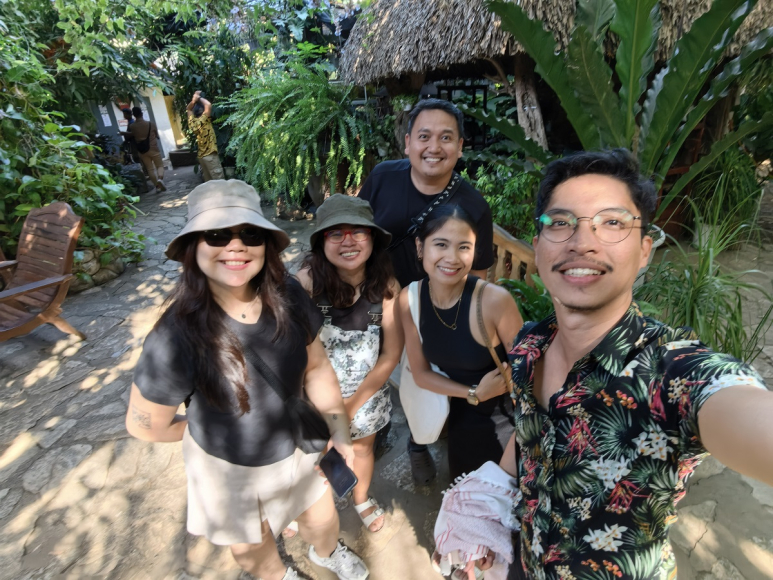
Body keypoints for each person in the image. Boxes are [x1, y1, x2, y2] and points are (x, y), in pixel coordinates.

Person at [453, 149, 773, 580]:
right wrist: (487, 500)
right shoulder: (529, 345)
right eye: (561, 222)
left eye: (613, 223)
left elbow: (738, 406)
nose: (582, 241)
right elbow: (532, 434)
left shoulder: (672, 373)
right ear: (539, 244)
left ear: (645, 250)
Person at [125, 180, 368, 580]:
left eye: (249, 234)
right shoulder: (174, 337)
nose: (235, 246)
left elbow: (317, 367)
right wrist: (212, 431)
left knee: (321, 518)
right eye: (218, 235)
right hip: (228, 465)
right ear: (193, 247)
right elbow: (145, 425)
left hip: (298, 444)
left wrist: (339, 431)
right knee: (252, 543)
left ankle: (326, 553)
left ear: (265, 245)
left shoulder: (286, 293)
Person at [359, 98, 496, 485]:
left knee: (423, 377)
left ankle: (418, 444)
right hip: (378, 300)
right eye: (424, 136)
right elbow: (355, 228)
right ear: (407, 143)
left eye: (446, 137)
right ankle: (376, 423)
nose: (434, 147)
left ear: (460, 147)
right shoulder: (384, 177)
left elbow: (478, 275)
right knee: (381, 368)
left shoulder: (473, 206)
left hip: (432, 309)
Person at [296, 194, 403, 533]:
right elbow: (291, 351)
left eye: (359, 231)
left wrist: (351, 405)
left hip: (365, 396)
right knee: (307, 457)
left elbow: (390, 354)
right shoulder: (306, 285)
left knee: (361, 450)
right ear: (320, 241)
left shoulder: (386, 287)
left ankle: (360, 498)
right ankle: (300, 507)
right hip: (312, 397)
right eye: (335, 233)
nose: (349, 241)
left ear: (372, 238)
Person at [398, 204, 523, 481]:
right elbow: (420, 373)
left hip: (501, 423)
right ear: (420, 247)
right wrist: (474, 392)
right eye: (440, 244)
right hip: (456, 417)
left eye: (463, 247)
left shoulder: (493, 301)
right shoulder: (410, 299)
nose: (452, 258)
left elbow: (529, 374)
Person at [187, 90, 225, 181]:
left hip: (202, 157)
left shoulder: (192, 122)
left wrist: (193, 101)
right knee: (220, 183)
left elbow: (188, 109)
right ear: (203, 112)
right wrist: (198, 98)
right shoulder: (204, 120)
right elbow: (208, 105)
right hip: (210, 156)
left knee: (209, 184)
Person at [127, 106, 166, 192]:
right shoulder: (150, 124)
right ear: (142, 113)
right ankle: (160, 179)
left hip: (142, 151)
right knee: (159, 166)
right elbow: (156, 135)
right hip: (153, 148)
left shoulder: (132, 126)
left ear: (134, 115)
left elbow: (132, 135)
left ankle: (157, 187)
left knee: (150, 169)